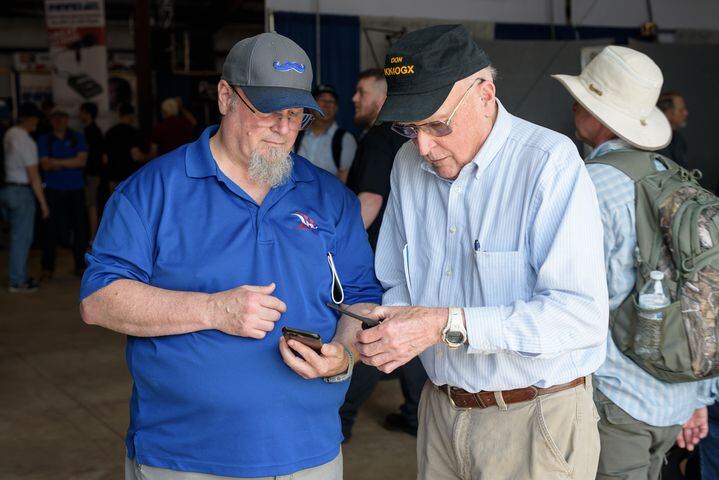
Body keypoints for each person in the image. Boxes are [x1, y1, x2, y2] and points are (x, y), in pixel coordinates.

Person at [79, 32, 382, 479]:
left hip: (310, 455)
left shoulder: (330, 198)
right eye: (268, 111)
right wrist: (214, 308)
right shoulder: (152, 191)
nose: (284, 130)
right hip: (183, 459)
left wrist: (345, 353)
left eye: (296, 114)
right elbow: (99, 300)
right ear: (225, 97)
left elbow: (359, 296)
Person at [356, 24, 608, 480]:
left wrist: (447, 324)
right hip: (440, 411)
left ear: (485, 94)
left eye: (437, 123)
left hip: (535, 418)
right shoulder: (407, 165)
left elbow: (579, 316)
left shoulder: (548, 163)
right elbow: (395, 282)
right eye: (409, 127)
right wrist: (367, 341)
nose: (424, 146)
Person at [553, 45, 714, 480]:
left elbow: (573, 300)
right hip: (678, 395)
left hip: (618, 398)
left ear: (599, 115)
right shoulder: (674, 175)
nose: (574, 106)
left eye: (583, 99)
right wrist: (699, 397)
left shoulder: (591, 185)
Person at [341, 68, 426, 440]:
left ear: (380, 97)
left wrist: (340, 250)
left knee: (370, 335)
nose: (354, 100)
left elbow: (370, 200)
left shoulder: (377, 138)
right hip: (411, 254)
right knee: (402, 327)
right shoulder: (404, 136)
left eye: (361, 92)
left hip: (378, 255)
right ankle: (416, 413)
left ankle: (339, 416)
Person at [1, 103, 49, 292]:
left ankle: (17, 276)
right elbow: (33, 175)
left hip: (7, 189)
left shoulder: (10, 133)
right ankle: (17, 281)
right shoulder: (26, 141)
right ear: (31, 120)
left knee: (16, 236)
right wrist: (43, 203)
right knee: (22, 238)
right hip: (21, 192)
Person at [38, 106, 88, 279]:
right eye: (55, 117)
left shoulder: (77, 137)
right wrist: (70, 162)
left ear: (67, 119)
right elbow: (45, 165)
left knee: (80, 228)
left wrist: (56, 163)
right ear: (51, 120)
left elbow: (81, 161)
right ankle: (47, 267)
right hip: (53, 190)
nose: (58, 120)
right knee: (50, 229)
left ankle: (80, 265)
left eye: (62, 117)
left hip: (76, 189)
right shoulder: (45, 139)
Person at [295, 84, 356, 183]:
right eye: (322, 100)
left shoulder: (345, 139)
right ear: (311, 106)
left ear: (336, 108)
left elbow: (344, 181)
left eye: (331, 101)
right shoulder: (296, 134)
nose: (327, 105)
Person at [104, 104, 147, 190]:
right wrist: (151, 157)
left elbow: (105, 159)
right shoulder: (133, 132)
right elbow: (136, 156)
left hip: (113, 177)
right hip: (129, 178)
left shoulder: (109, 132)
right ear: (131, 116)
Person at [79, 101, 103, 243]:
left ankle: (93, 237)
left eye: (81, 112)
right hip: (93, 173)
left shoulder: (91, 131)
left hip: (92, 174)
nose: (79, 115)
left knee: (91, 205)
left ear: (87, 113)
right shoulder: (93, 130)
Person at [656, 92, 689, 168]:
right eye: (681, 110)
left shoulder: (678, 139)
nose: (685, 113)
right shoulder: (655, 139)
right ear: (668, 112)